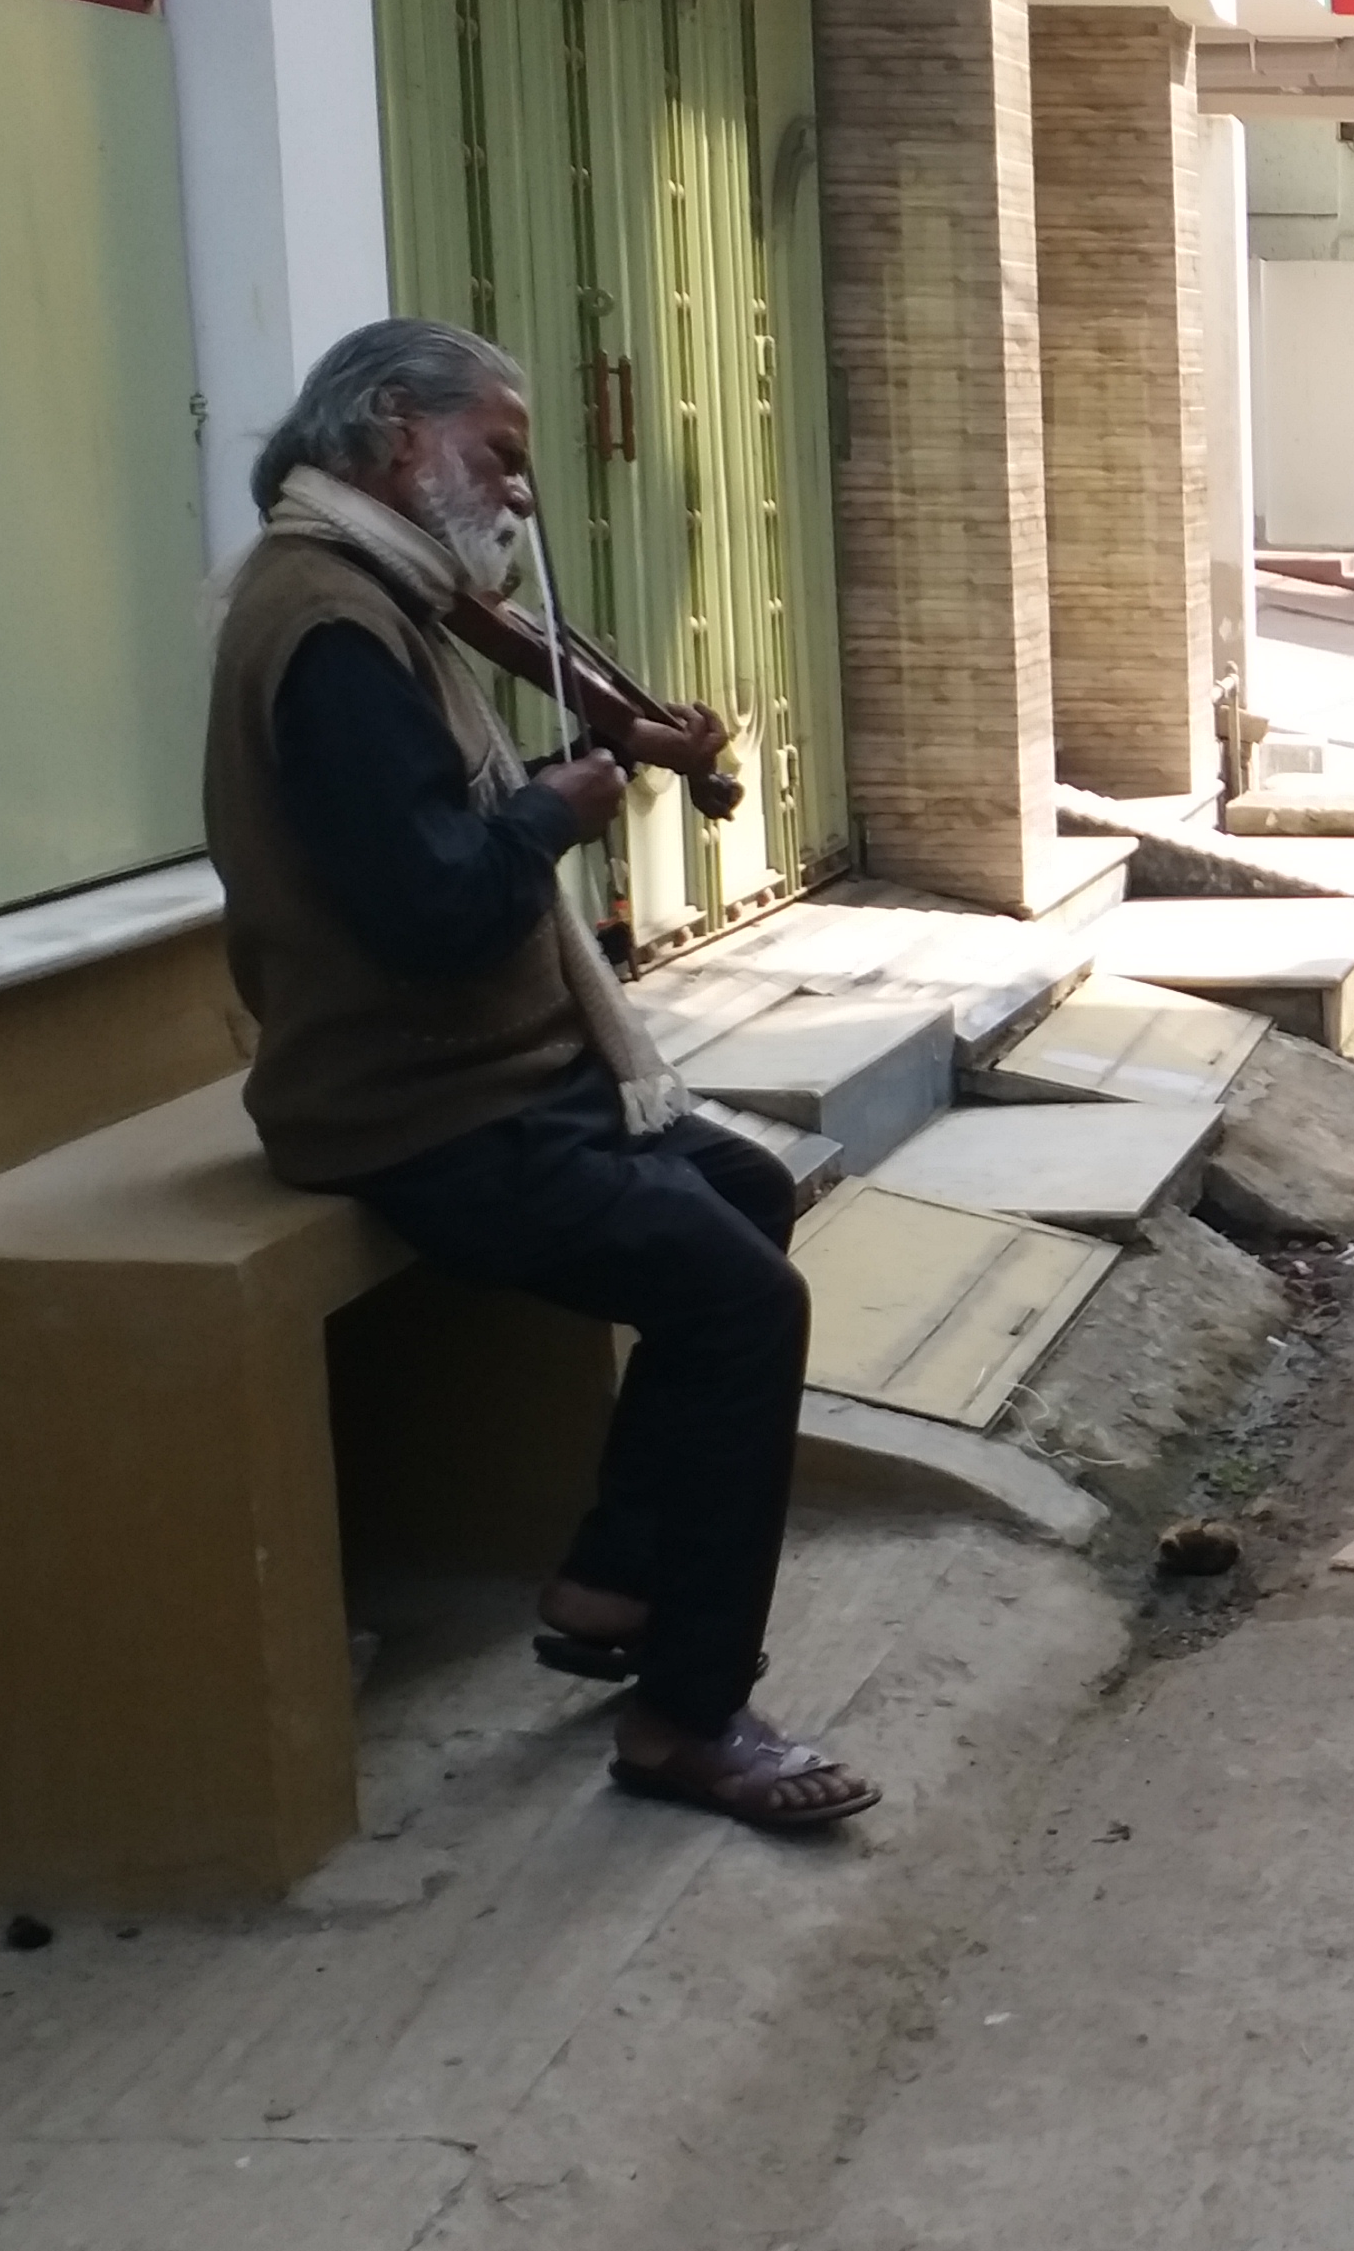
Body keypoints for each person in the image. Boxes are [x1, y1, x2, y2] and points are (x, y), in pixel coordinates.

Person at [202, 318, 875, 1830]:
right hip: (418, 1106)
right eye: (498, 457)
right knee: (741, 1299)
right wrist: (558, 807)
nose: (517, 497)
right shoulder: (330, 628)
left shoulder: (375, 590)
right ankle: (688, 1719)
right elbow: (430, 906)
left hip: (490, 1076)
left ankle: (614, 1583)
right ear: (392, 437)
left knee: (743, 1190)